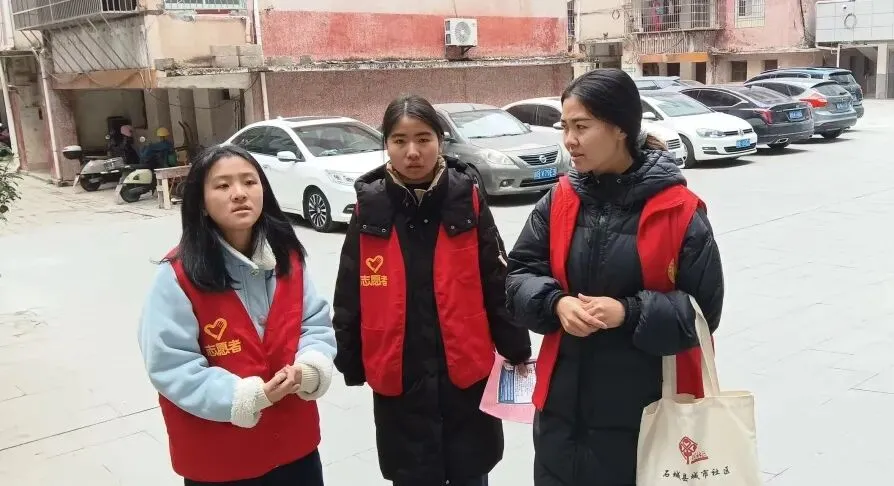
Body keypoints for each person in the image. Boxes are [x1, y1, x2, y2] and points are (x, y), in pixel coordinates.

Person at [505, 68, 725, 486]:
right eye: (565, 127)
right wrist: (556, 303)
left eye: (581, 127)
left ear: (621, 127)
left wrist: (629, 312)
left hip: (645, 415)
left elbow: (702, 315)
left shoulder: (679, 211)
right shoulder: (559, 200)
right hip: (561, 416)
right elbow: (519, 275)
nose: (569, 140)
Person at [332, 94, 532, 486]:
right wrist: (351, 359)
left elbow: (495, 278)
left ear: (440, 141)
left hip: (465, 368)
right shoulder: (370, 205)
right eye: (399, 140)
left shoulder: (465, 196)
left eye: (423, 138)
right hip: (400, 374)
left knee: (470, 472)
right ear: (386, 144)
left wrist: (516, 348)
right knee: (413, 474)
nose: (412, 152)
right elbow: (350, 289)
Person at [137, 144, 336, 486]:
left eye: (249, 181)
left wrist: (310, 367)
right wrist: (248, 396)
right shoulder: (177, 276)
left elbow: (314, 323)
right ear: (201, 201)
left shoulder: (288, 259)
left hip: (295, 447)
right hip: (220, 458)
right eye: (223, 185)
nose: (239, 193)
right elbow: (171, 365)